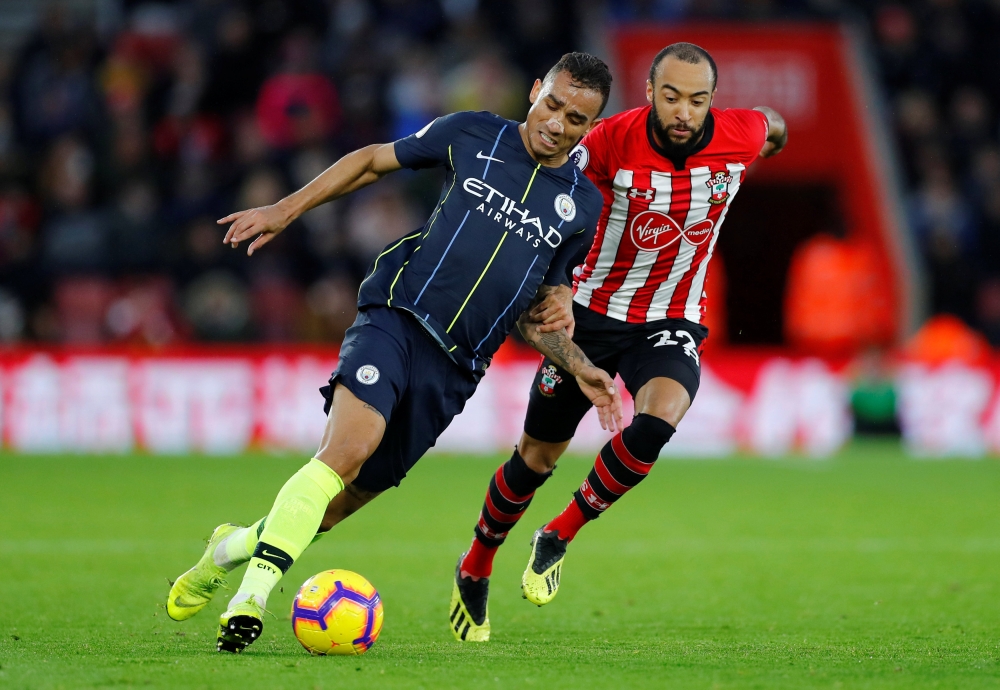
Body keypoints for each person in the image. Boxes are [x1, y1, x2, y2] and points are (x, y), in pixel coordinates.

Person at [165, 52, 624, 652]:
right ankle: (250, 598)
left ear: (591, 127)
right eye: (554, 104)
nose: (558, 123)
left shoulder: (582, 208)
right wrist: (286, 209)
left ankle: (228, 547)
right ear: (536, 91)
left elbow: (534, 316)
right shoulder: (474, 132)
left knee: (332, 507)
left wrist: (579, 363)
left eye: (577, 118)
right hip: (397, 319)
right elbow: (372, 162)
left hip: (456, 369)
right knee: (346, 450)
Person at [452, 42, 788, 635]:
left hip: (671, 317)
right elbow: (559, 195)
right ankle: (477, 565)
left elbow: (774, 129)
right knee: (536, 459)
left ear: (714, 99)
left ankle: (558, 533)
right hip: (589, 314)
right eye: (671, 97)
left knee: (658, 420)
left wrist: (771, 137)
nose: (684, 112)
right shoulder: (609, 140)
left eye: (698, 100)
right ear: (651, 92)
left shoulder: (741, 133)